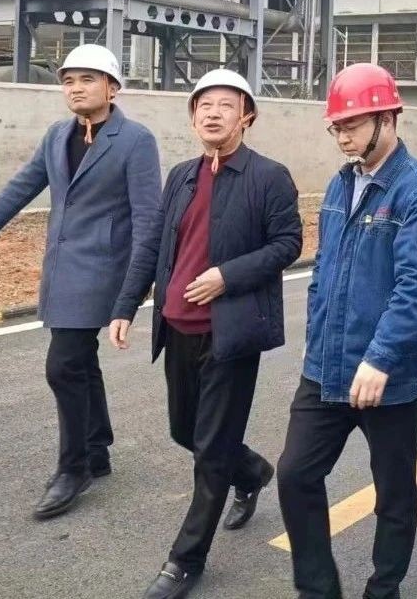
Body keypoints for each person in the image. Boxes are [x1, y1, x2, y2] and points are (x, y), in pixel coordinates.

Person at [0, 43, 160, 519]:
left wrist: (135, 290)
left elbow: (149, 219)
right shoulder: (57, 136)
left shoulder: (135, 140)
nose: (75, 88)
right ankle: (97, 449)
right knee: (80, 362)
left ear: (112, 87)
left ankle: (73, 467)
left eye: (87, 79)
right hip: (61, 269)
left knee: (63, 366)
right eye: (68, 81)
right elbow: (21, 187)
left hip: (104, 271)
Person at [108, 69, 302, 599]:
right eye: (203, 105)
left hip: (229, 334)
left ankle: (185, 560)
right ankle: (252, 471)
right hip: (177, 327)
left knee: (211, 451)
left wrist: (227, 276)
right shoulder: (181, 176)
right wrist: (126, 306)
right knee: (184, 431)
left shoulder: (268, 176)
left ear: (247, 117)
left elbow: (288, 243)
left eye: (225, 105)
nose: (212, 113)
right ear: (193, 117)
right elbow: (154, 246)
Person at [276, 63, 417, 599]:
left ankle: (384, 588)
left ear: (388, 119)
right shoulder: (339, 184)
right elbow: (324, 270)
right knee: (296, 474)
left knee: (392, 491)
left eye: (353, 125)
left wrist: (380, 357)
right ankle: (318, 589)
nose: (343, 136)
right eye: (337, 127)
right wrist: (314, 336)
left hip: (388, 375)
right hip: (327, 364)